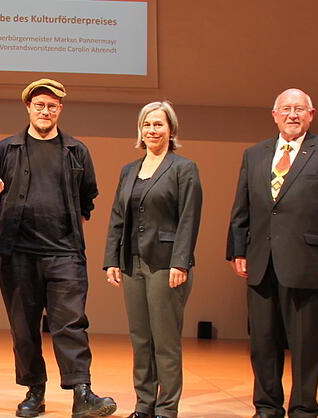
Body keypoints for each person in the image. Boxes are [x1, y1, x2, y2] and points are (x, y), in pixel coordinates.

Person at [226, 88, 318, 418]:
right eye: (285, 109)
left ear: (311, 115)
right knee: (263, 343)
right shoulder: (254, 154)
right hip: (260, 262)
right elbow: (242, 207)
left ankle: (303, 409)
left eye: (299, 109)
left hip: (308, 263)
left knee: (305, 345)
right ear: (274, 115)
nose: (292, 114)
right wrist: (237, 249)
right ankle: (267, 407)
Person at [0, 79, 116, 418]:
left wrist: (65, 230)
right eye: (39, 105)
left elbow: (87, 197)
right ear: (28, 108)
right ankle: (34, 391)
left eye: (51, 106)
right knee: (24, 326)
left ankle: (82, 393)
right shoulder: (5, 150)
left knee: (70, 324)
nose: (45, 111)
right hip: (17, 253)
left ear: (60, 109)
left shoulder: (76, 150)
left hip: (65, 254)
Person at [103, 101, 202, 418]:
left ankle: (166, 408)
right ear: (140, 130)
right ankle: (144, 405)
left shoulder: (183, 168)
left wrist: (181, 262)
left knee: (165, 341)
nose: (152, 130)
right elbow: (118, 216)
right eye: (147, 124)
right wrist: (112, 259)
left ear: (171, 130)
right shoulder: (129, 170)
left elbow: (189, 218)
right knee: (140, 339)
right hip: (133, 263)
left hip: (166, 264)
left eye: (159, 124)